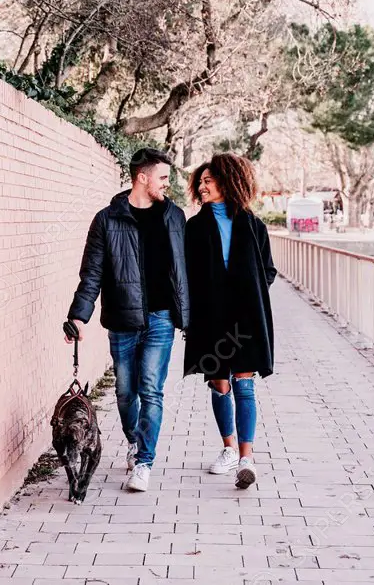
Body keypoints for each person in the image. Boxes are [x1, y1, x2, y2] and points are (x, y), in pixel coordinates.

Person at [65, 148, 189, 493]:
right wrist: (79, 315)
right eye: (163, 177)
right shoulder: (107, 219)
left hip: (162, 318)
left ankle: (144, 461)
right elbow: (92, 273)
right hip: (122, 318)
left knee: (151, 389)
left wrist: (191, 315)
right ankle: (135, 441)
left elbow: (184, 270)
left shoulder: (173, 216)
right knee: (124, 392)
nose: (167, 184)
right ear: (142, 177)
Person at [183, 153, 277, 490]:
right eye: (202, 181)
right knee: (219, 383)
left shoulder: (254, 225)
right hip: (211, 317)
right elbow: (186, 273)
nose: (203, 186)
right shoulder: (193, 227)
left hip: (246, 318)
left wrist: (249, 293)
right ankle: (227, 447)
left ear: (227, 182)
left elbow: (268, 270)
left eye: (209, 181)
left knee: (244, 383)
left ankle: (246, 457)